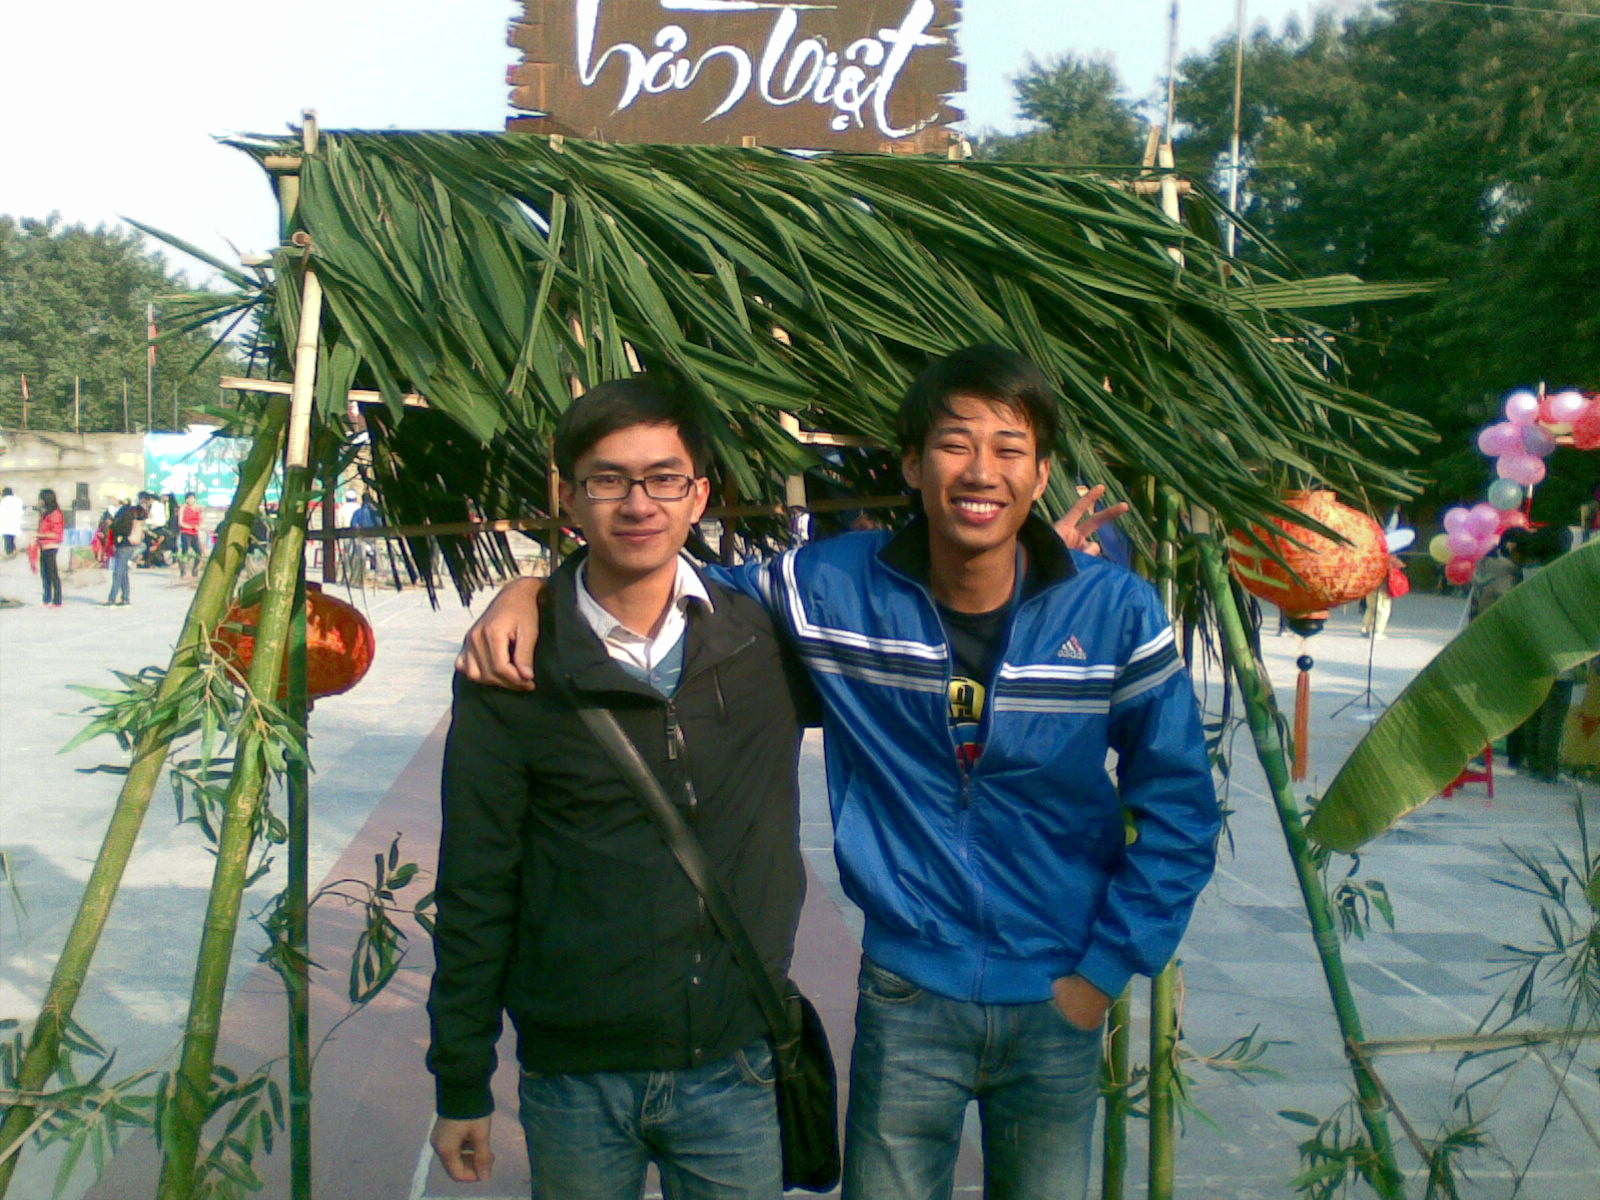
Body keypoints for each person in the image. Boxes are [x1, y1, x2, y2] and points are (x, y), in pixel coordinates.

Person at [458, 345, 1218, 1200]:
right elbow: (659, 571)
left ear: (1040, 475)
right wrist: (527, 588)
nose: (980, 470)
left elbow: (1182, 810)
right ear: (911, 463)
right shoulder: (832, 588)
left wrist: (1106, 971)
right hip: (909, 994)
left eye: (1009, 450)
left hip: (1060, 997)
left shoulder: (1115, 612)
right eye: (955, 443)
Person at [427, 378, 818, 1199]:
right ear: (567, 494)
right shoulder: (515, 670)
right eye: (608, 479)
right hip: (577, 1081)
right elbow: (475, 883)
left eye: (664, 478)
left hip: (734, 1068)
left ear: (699, 493)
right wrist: (461, 1079)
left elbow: (918, 622)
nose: (638, 502)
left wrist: (1030, 574)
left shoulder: (762, 640)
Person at [105, 496, 145, 606]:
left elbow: (123, 529)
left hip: (124, 545)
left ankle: (112, 599)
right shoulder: (128, 513)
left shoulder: (124, 514)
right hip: (127, 545)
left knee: (118, 573)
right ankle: (125, 598)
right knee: (123, 573)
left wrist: (111, 525)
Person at [34, 489, 64, 608]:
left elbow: (56, 533)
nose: (39, 501)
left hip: (51, 546)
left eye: (41, 498)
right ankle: (46, 598)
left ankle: (57, 600)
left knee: (52, 573)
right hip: (43, 545)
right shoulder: (45, 513)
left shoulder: (55, 513)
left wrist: (39, 535)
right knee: (44, 573)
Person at [177, 493, 204, 577]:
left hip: (195, 533)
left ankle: (195, 569)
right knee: (185, 552)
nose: (190, 500)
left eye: (192, 498)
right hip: (186, 532)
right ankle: (183, 571)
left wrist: (198, 526)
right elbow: (180, 522)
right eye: (189, 498)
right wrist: (190, 526)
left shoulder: (197, 508)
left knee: (199, 552)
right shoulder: (183, 508)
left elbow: (201, 521)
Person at [0, 487, 22, 557]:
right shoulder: (17, 500)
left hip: (6, 523)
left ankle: (10, 553)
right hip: (15, 522)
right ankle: (13, 550)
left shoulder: (3, 501)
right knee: (12, 538)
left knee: (7, 539)